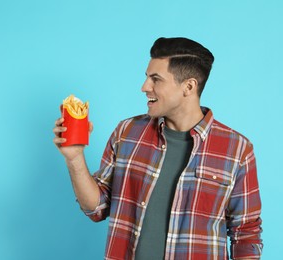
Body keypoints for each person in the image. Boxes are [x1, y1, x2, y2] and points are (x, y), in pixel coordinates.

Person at [53, 37, 263, 260]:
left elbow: (246, 233)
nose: (144, 87)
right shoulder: (127, 133)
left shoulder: (237, 150)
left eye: (156, 79)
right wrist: (75, 158)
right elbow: (96, 208)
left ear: (188, 86)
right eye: (146, 77)